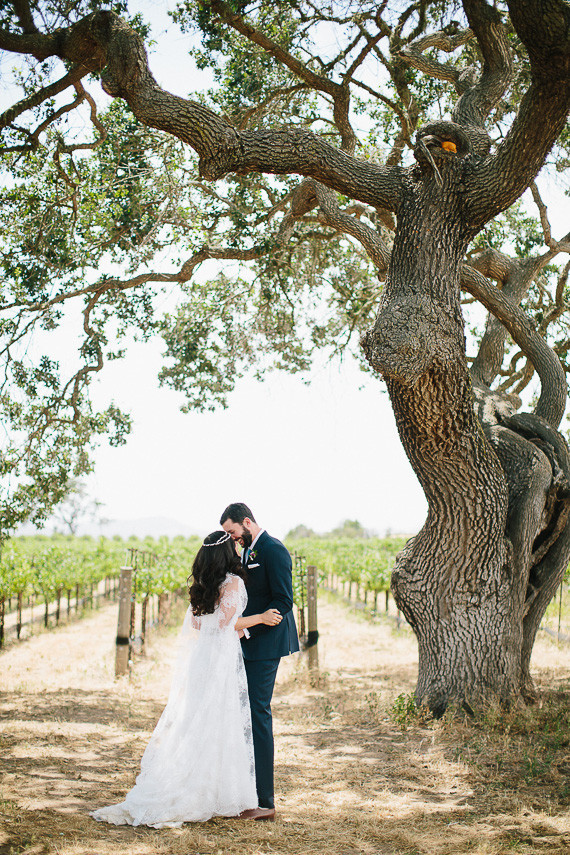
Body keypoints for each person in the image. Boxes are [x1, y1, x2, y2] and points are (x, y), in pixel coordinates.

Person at [90, 530, 282, 828]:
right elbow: (224, 623)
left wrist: (235, 626)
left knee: (200, 718)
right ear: (225, 553)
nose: (237, 546)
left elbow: (197, 621)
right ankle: (211, 789)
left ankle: (202, 781)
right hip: (220, 658)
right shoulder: (233, 582)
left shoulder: (204, 583)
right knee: (219, 718)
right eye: (232, 543)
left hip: (203, 657)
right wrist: (259, 618)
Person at [220, 503, 300, 822]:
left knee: (258, 714)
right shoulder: (247, 550)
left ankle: (265, 802)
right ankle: (247, 792)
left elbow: (283, 601)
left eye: (233, 531)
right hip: (247, 643)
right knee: (245, 716)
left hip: (265, 646)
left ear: (247, 522)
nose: (231, 537)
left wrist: (249, 627)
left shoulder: (273, 549)